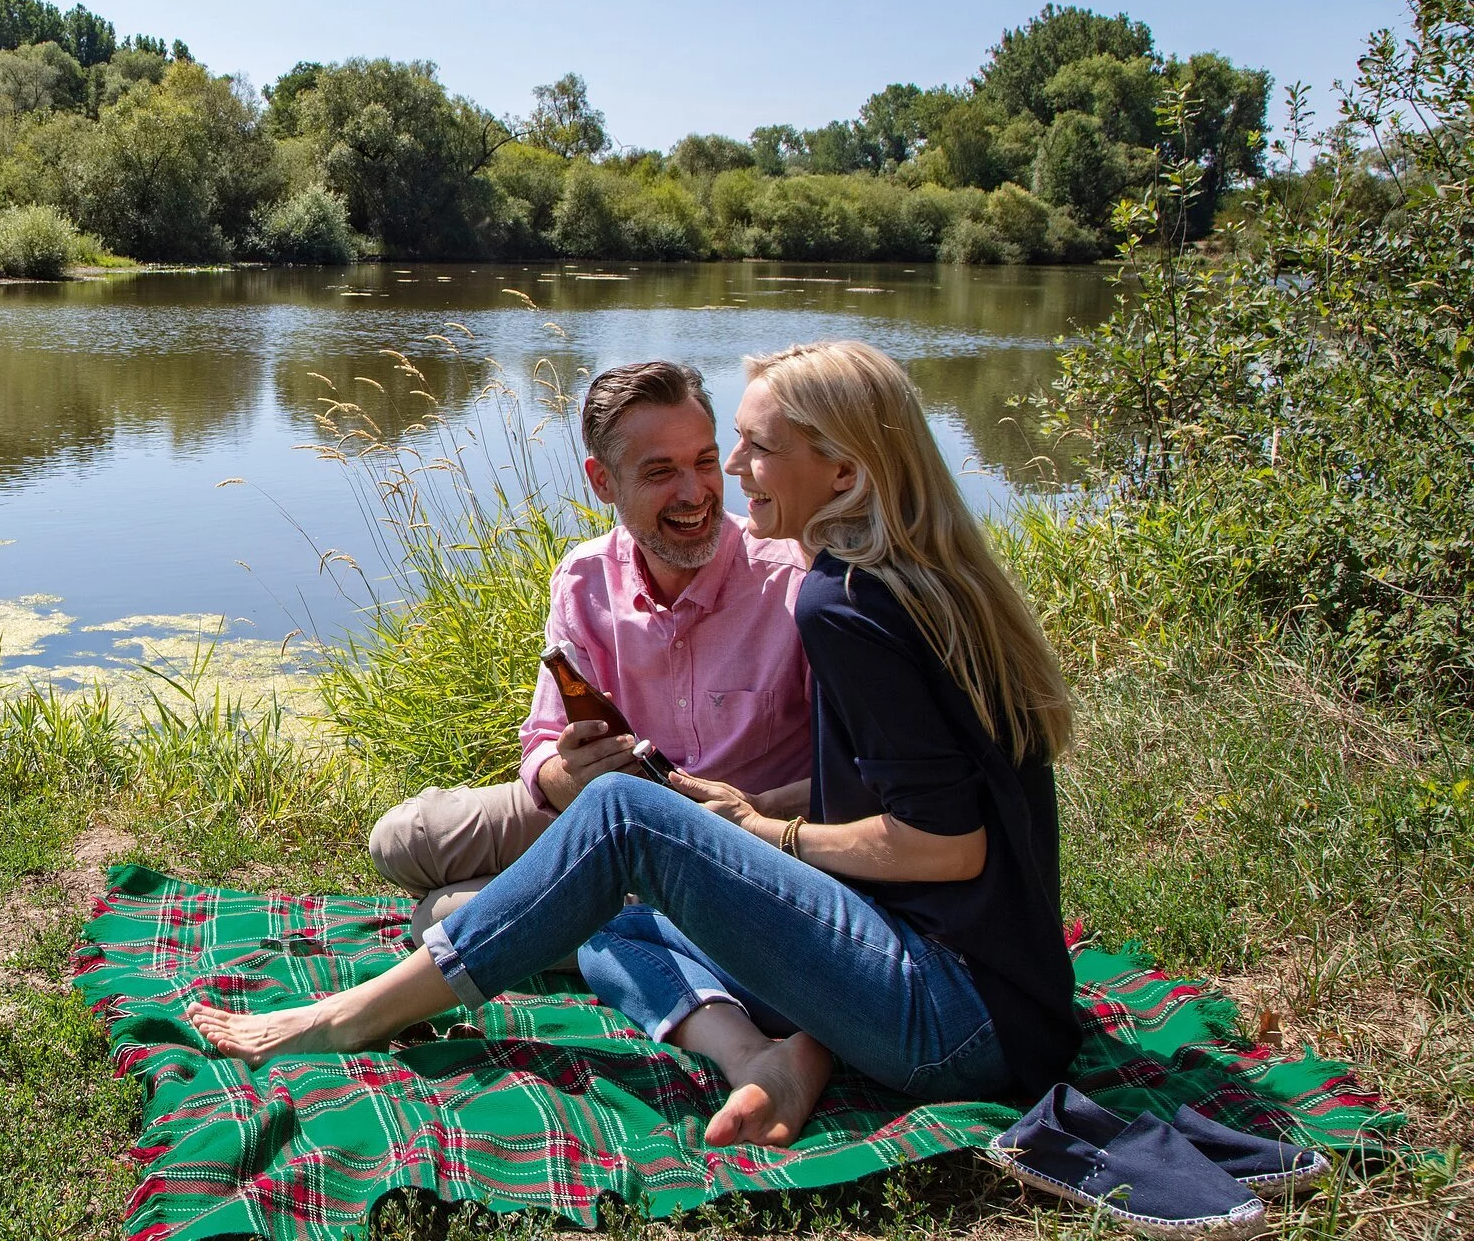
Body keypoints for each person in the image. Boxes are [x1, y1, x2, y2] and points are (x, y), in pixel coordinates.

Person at [191, 340, 1080, 1147]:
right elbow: (908, 798)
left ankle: (350, 1016)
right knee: (590, 882)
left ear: (844, 470)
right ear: (604, 480)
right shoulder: (914, 579)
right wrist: (735, 808)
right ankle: (769, 1054)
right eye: (714, 450)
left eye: (749, 448)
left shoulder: (836, 601)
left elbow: (949, 847)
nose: (729, 473)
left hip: (954, 1018)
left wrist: (765, 833)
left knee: (621, 823)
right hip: (987, 1000)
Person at [366, 361, 814, 948]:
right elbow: (543, 743)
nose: (695, 493)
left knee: (442, 921)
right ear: (603, 481)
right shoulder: (584, 577)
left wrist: (755, 814)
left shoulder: (795, 580)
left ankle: (622, 914)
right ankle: (612, 903)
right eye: (660, 472)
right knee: (403, 840)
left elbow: (852, 777)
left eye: (705, 462)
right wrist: (566, 772)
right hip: (601, 813)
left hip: (734, 840)